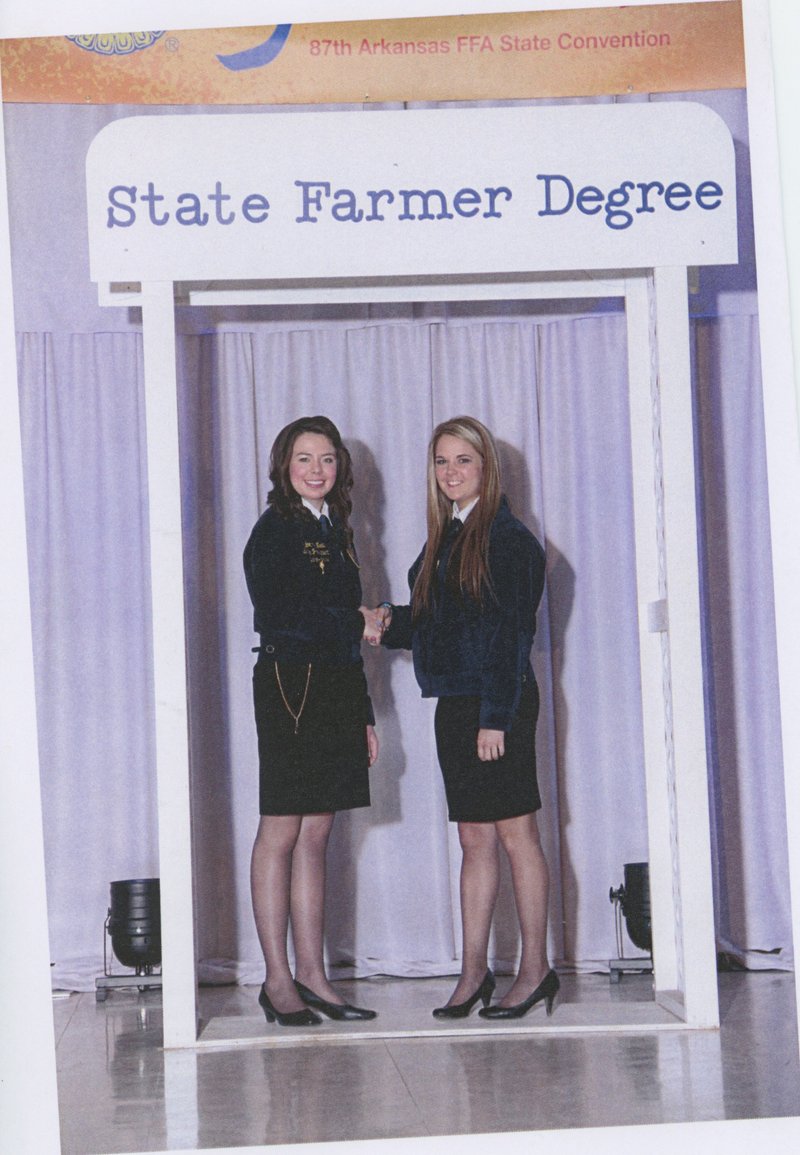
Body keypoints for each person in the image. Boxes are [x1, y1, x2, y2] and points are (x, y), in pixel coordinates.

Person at [373, 416, 557, 1019]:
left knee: (517, 836)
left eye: (463, 462)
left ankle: (534, 971)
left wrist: (496, 718)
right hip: (456, 704)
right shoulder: (447, 535)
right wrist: (381, 623)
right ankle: (474, 972)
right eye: (442, 462)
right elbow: (434, 622)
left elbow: (511, 635)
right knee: (473, 839)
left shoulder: (508, 539)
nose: (451, 473)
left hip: (495, 704)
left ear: (486, 469)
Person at [243, 415, 385, 1027]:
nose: (317, 470)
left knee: (318, 834)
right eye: (305, 459)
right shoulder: (273, 529)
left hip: (333, 691)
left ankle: (314, 974)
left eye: (327, 459)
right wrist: (356, 620)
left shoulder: (340, 530)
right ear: (284, 466)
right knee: (282, 831)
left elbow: (350, 637)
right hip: (287, 687)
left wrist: (364, 715)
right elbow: (279, 618)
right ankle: (277, 980)